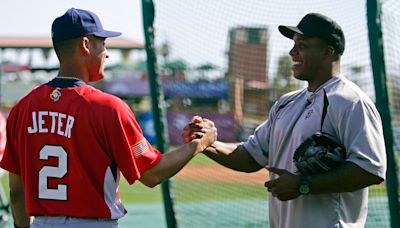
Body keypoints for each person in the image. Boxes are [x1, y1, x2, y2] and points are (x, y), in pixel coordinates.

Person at [0, 8, 216, 228]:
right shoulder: (108, 108)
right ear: (85, 45)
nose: (106, 52)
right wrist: (199, 144)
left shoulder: (22, 108)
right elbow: (152, 173)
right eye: (102, 43)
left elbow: (16, 192)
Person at [183, 13, 386, 228]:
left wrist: (304, 185)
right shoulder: (286, 103)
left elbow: (369, 170)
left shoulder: (351, 102)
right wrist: (206, 143)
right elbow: (250, 157)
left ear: (328, 52)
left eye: (303, 45)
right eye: (294, 44)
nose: (292, 52)